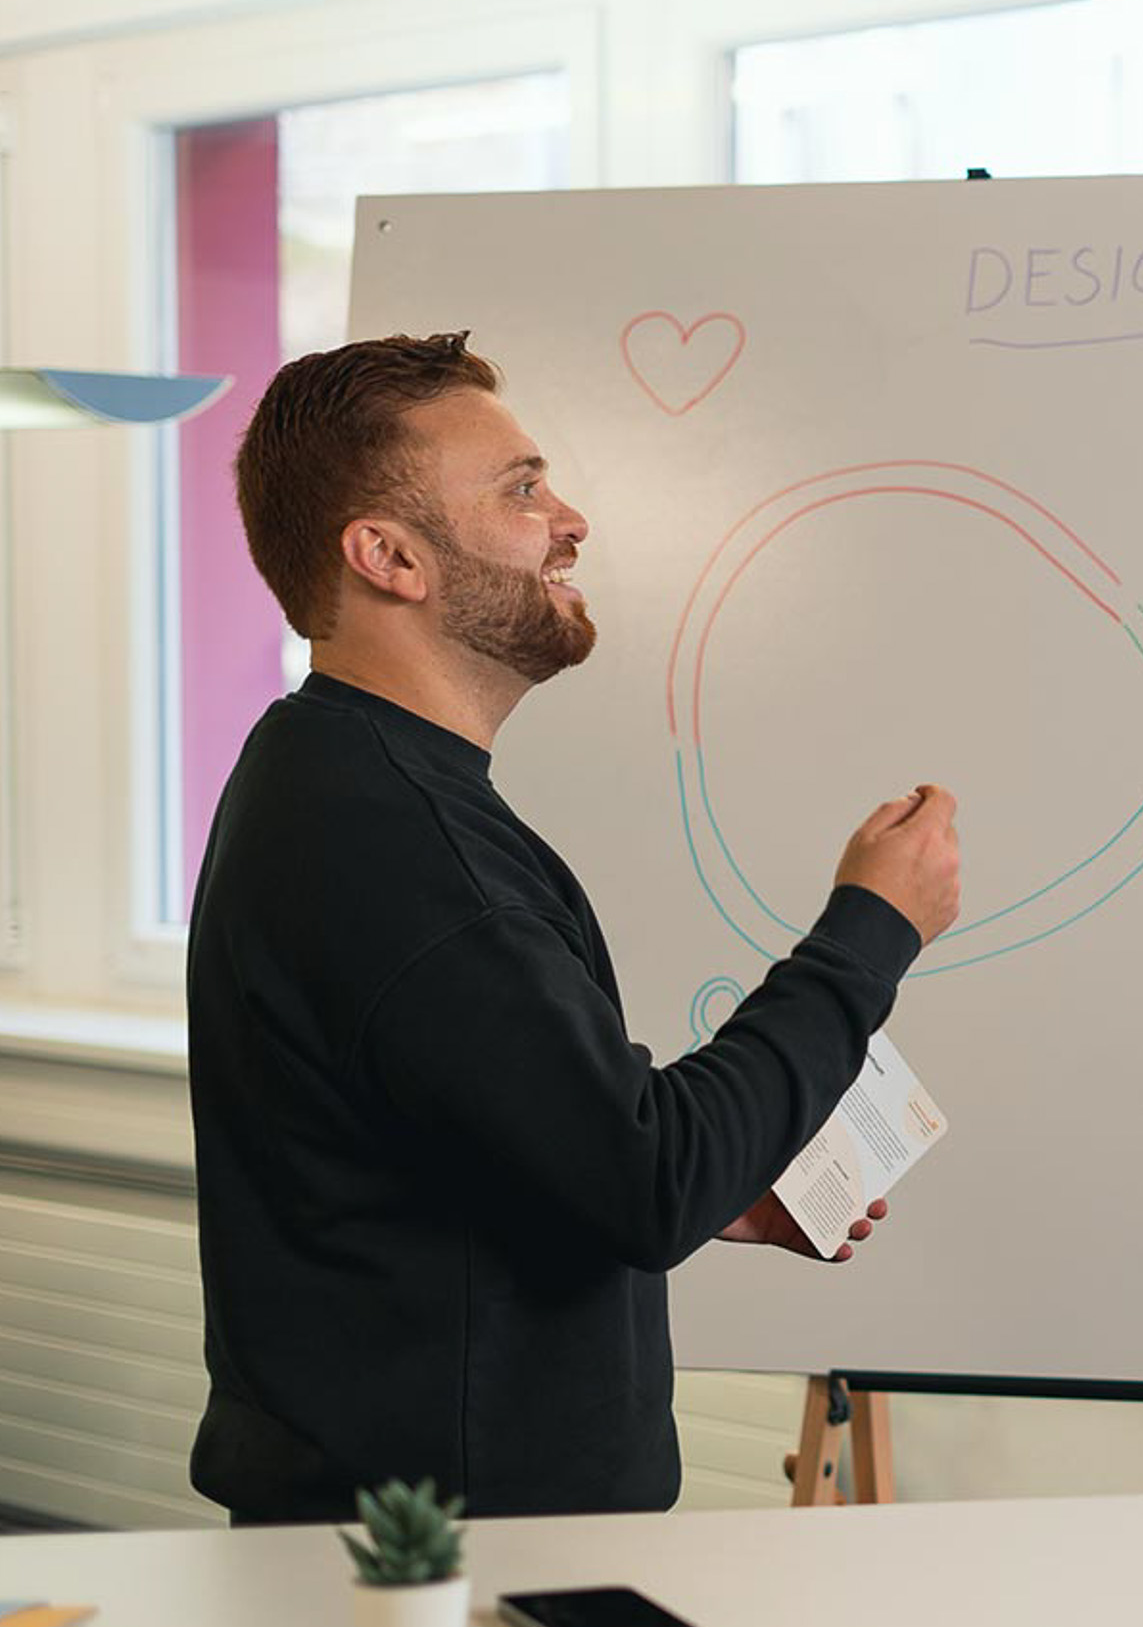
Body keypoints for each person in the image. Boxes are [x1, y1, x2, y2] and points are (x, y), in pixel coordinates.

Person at [185, 331, 960, 1523]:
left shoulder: (341, 781)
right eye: (522, 488)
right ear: (388, 556)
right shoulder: (395, 843)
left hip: (447, 1540)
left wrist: (714, 1188)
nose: (570, 518)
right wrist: (869, 929)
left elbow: (492, 1155)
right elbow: (650, 1175)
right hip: (445, 1566)